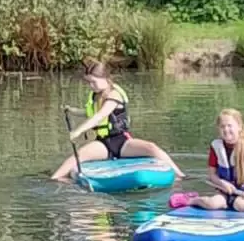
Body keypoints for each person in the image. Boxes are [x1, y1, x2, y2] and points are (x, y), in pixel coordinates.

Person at [51, 61, 184, 181]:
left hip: (122, 142)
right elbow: (90, 113)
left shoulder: (115, 95)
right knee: (78, 156)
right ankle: (55, 179)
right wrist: (72, 110)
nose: (91, 86)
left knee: (152, 148)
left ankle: (180, 176)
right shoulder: (96, 95)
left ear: (105, 78)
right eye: (88, 82)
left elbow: (99, 116)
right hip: (102, 143)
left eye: (93, 82)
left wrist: (78, 131)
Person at [185, 108, 244, 211]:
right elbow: (212, 175)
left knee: (240, 205)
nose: (226, 129)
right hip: (226, 190)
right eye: (222, 126)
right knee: (212, 204)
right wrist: (222, 183)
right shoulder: (216, 147)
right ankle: (192, 199)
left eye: (229, 126)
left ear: (239, 127)